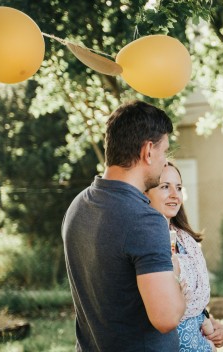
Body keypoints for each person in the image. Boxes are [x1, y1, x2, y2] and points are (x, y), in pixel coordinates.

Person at [62, 100, 186, 351]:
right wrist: (176, 278)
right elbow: (166, 317)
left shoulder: (78, 205)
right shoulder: (145, 220)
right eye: (165, 152)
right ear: (148, 151)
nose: (165, 163)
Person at [145, 162, 223, 351]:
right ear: (145, 192)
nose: (174, 195)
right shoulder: (145, 243)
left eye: (178, 187)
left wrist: (222, 330)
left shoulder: (186, 242)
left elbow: (195, 304)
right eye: (164, 187)